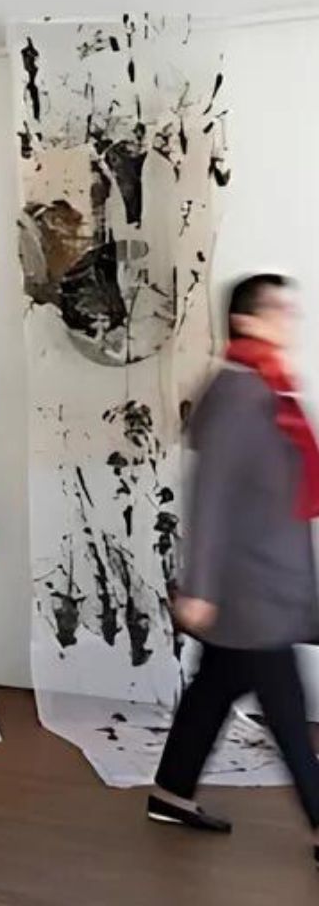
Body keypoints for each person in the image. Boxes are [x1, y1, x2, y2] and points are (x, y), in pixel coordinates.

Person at [148, 273, 319, 866]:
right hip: (249, 591)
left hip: (267, 577)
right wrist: (199, 588)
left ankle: (171, 792)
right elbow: (211, 496)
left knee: (213, 689)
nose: (289, 320)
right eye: (278, 310)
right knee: (290, 713)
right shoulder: (239, 394)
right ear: (246, 320)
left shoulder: (270, 389)